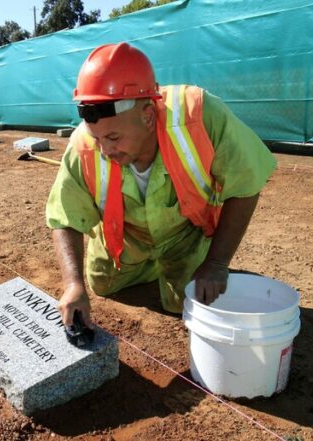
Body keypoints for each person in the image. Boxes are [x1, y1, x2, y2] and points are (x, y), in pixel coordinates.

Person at [46, 43, 277, 328]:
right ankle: (148, 264)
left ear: (147, 116)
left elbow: (246, 185)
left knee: (193, 302)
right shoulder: (84, 144)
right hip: (127, 238)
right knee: (101, 285)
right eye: (97, 138)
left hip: (186, 234)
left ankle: (191, 262)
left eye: (114, 138)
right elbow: (64, 216)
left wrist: (216, 264)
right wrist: (73, 284)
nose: (104, 150)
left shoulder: (199, 116)